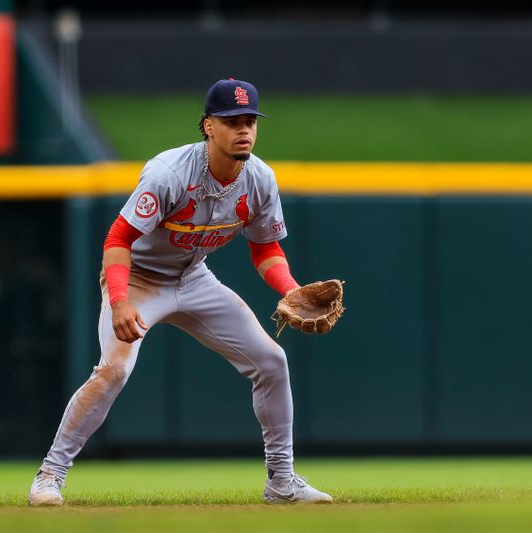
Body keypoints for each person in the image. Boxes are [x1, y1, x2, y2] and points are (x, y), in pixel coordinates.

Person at [28, 78, 333, 506]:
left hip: (194, 280)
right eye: (231, 121)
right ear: (208, 125)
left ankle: (281, 481)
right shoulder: (170, 173)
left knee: (272, 361)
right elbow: (118, 239)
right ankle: (49, 475)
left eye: (250, 121)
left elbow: (265, 246)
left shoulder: (260, 179)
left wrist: (291, 289)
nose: (243, 129)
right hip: (138, 279)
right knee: (113, 371)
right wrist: (119, 301)